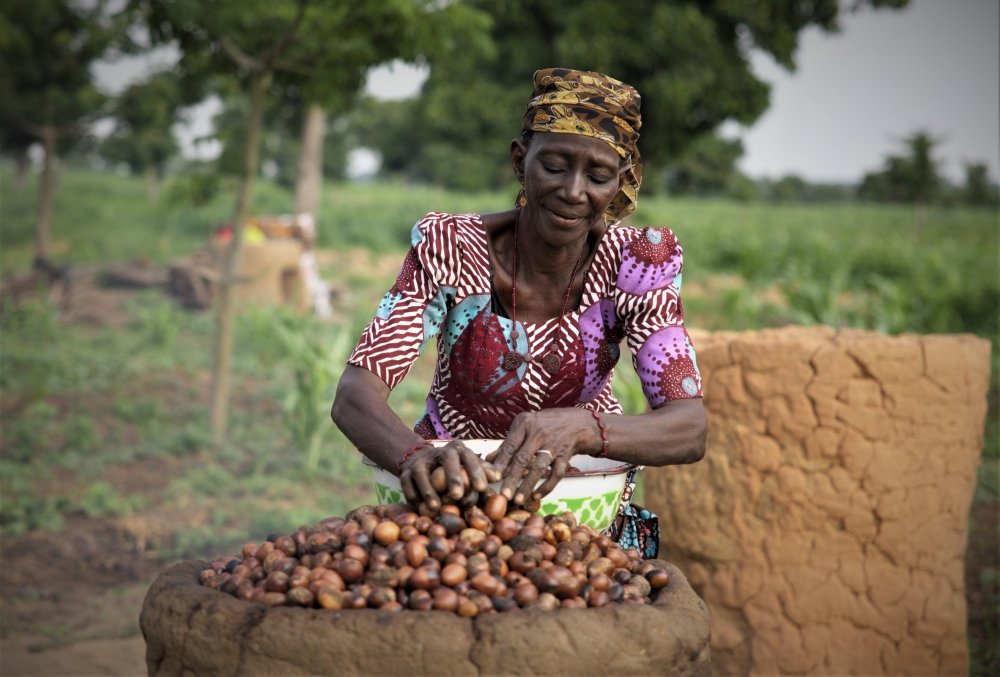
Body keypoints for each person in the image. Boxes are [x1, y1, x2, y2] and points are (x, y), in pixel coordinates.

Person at [332, 67, 706, 558]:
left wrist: (582, 428)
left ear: (620, 182)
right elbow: (356, 395)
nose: (573, 191)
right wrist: (416, 456)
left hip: (578, 506)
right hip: (450, 496)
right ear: (519, 160)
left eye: (597, 176)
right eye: (554, 166)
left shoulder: (637, 264)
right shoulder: (452, 248)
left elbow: (688, 427)